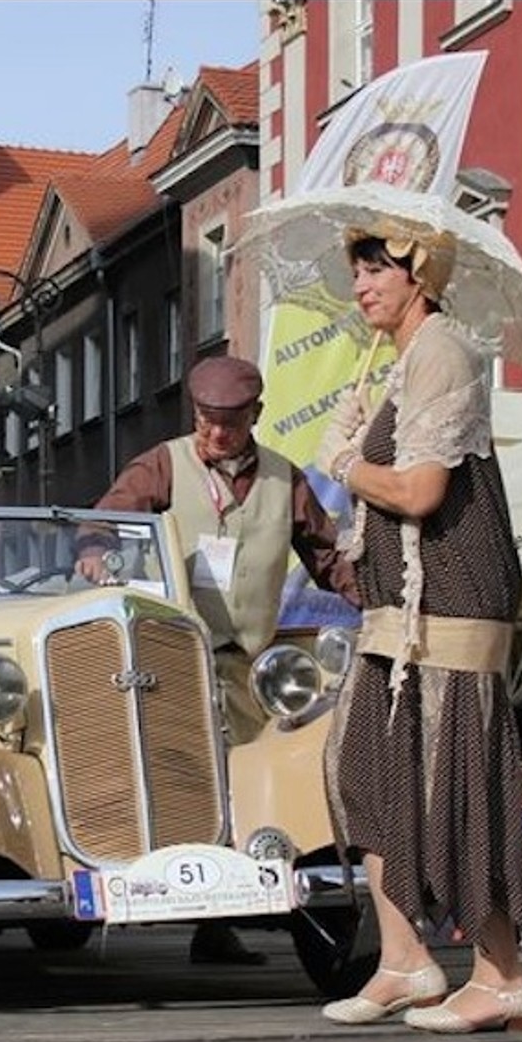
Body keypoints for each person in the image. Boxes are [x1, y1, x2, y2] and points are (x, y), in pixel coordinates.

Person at [311, 224, 522, 1034]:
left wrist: (342, 462)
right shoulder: (399, 363)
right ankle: (406, 959)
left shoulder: (443, 350)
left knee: (457, 784)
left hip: (449, 602)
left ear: (420, 272)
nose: (361, 286)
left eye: (376, 269)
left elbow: (419, 492)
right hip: (395, 615)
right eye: (357, 272)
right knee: (364, 772)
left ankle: (501, 974)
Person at [72, 353, 359, 968]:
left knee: (250, 786)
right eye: (205, 420)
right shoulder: (164, 465)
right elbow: (102, 520)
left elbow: (328, 557)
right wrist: (96, 549)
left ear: (256, 415)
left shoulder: (286, 479)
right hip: (174, 664)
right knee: (188, 787)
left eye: (229, 422)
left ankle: (231, 916)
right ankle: (192, 909)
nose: (215, 434)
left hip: (250, 668)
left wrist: (376, 591)